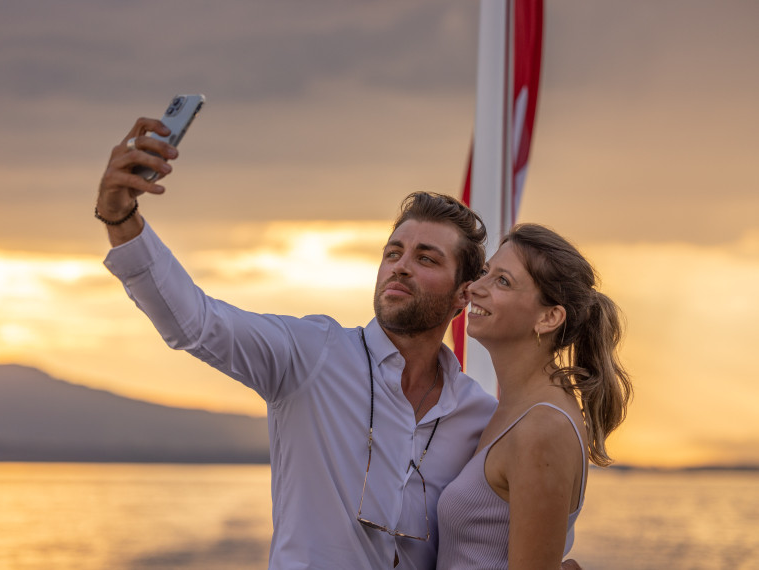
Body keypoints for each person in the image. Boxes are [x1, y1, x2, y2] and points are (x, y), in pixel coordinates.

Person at [95, 117, 582, 569]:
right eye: (394, 252)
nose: (401, 266)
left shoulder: (478, 415)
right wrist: (121, 218)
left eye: (426, 258)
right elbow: (196, 322)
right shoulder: (310, 356)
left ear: (462, 294)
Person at [436, 224, 632, 569]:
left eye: (502, 281)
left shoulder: (542, 429)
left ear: (549, 317)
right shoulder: (514, 410)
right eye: (485, 272)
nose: (475, 288)